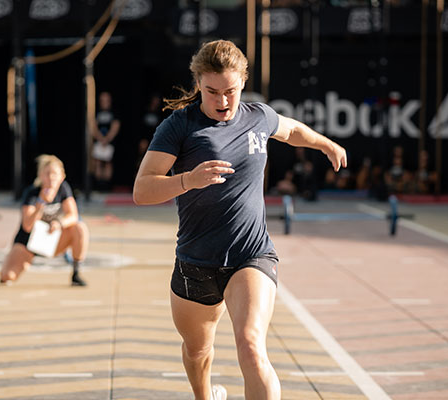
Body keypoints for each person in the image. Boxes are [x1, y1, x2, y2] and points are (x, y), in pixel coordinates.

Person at [133, 40, 347, 400]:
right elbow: (142, 190)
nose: (222, 101)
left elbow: (292, 131)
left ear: (243, 82)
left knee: (250, 345)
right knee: (197, 350)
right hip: (196, 261)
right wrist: (188, 180)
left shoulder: (259, 117)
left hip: (251, 255)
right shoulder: (179, 126)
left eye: (230, 91)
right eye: (212, 91)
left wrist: (325, 143)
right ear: (198, 83)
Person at [0, 154, 90, 286]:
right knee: (8, 276)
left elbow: (73, 215)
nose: (51, 178)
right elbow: (27, 226)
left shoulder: (63, 189)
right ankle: (14, 263)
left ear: (62, 176)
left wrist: (59, 223)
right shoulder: (32, 193)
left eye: (55, 174)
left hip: (52, 238)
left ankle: (76, 273)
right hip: (29, 242)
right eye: (47, 174)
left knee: (80, 228)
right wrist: (41, 203)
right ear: (40, 176)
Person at [92, 91, 121, 190]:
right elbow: (93, 126)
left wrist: (107, 138)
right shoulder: (96, 112)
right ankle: (98, 185)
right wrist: (100, 138)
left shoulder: (113, 112)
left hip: (109, 142)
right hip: (98, 141)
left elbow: (115, 126)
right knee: (98, 162)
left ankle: (107, 186)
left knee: (108, 162)